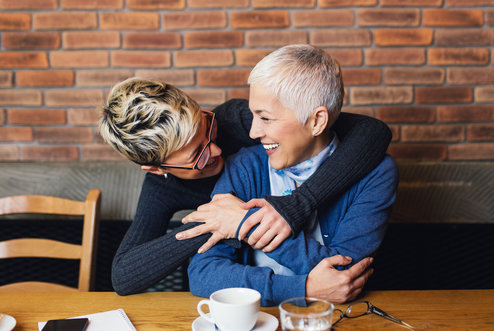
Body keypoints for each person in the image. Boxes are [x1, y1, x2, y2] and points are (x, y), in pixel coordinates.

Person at [99, 71, 391, 295]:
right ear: (155, 169)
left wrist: (298, 205)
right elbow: (124, 276)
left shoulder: (233, 121)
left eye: (207, 130)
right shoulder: (160, 190)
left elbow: (372, 131)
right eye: (196, 155)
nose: (215, 150)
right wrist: (222, 222)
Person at [185, 44, 398, 306]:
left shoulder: (376, 174)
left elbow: (343, 278)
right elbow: (202, 273)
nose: (252, 133)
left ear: (317, 121)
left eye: (265, 118)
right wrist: (301, 289)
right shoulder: (244, 165)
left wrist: (246, 223)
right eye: (253, 115)